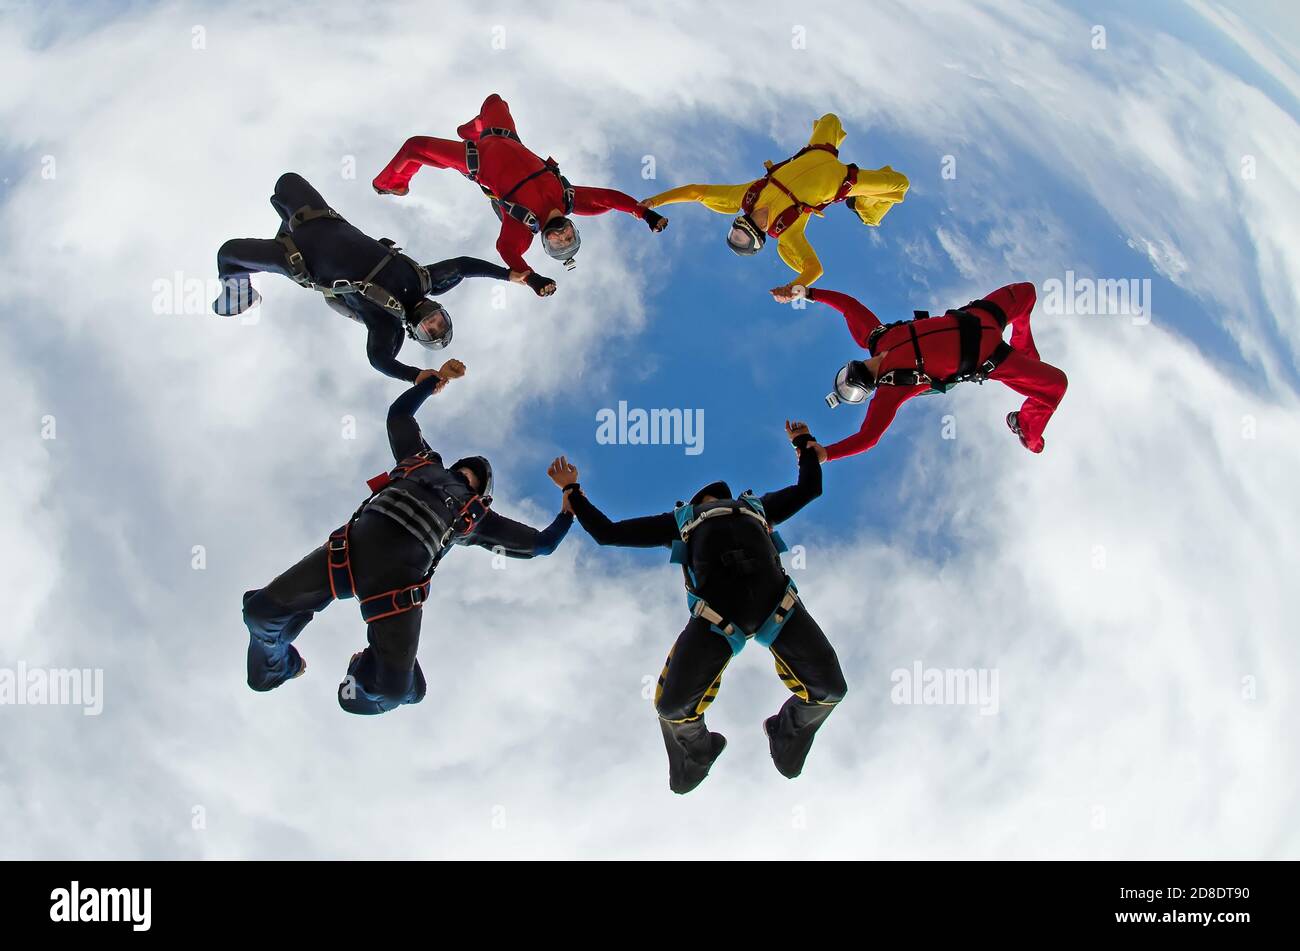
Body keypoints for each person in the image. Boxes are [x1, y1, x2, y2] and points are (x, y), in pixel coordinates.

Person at [242, 359, 574, 715]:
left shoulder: (478, 517)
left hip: (396, 590)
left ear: (482, 496)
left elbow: (542, 544)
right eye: (462, 470)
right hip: (349, 554)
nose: (466, 475)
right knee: (261, 612)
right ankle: (281, 667)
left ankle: (382, 674)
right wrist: (431, 383)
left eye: (474, 480)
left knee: (394, 690)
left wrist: (569, 504)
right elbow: (398, 417)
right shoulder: (420, 461)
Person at [546, 422, 845, 794]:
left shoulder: (757, 508)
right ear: (693, 504)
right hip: (720, 619)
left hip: (776, 607)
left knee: (830, 689)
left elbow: (810, 488)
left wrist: (803, 444)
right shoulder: (680, 523)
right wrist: (572, 491)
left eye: (722, 497)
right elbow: (609, 534)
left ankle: (786, 734)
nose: (718, 499)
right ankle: (699, 753)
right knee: (671, 708)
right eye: (710, 498)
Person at [213, 172, 549, 383]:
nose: (431, 323)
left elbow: (380, 360)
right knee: (286, 182)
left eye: (429, 332)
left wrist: (415, 376)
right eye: (440, 322)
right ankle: (282, 230)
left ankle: (239, 298)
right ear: (440, 310)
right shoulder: (424, 280)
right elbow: (462, 265)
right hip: (317, 221)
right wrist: (511, 276)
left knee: (228, 254)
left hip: (296, 260)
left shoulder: (385, 323)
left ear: (414, 333)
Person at [373, 93, 668, 281]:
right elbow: (610, 199)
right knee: (494, 101)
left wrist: (531, 279)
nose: (562, 236)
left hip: (477, 160)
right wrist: (644, 214)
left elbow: (506, 249)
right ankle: (470, 132)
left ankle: (391, 183)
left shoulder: (524, 224)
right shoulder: (570, 200)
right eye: (570, 238)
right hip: (504, 136)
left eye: (558, 244)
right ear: (574, 229)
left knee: (415, 147)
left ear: (546, 242)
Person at [642, 113, 909, 301]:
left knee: (831, 119)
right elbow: (814, 269)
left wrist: (654, 202)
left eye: (734, 234)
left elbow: (696, 192)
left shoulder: (745, 197)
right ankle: (865, 208)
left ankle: (863, 200)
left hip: (819, 153)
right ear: (756, 243)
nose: (739, 232)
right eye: (741, 240)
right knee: (899, 184)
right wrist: (792, 288)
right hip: (844, 181)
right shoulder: (787, 233)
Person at [812, 282, 1067, 458]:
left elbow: (847, 305)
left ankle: (1026, 353)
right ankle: (1026, 428)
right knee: (1056, 385)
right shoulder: (893, 388)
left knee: (1027, 293)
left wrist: (806, 292)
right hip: (989, 357)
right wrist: (826, 453)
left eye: (843, 380)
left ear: (847, 367)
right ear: (864, 393)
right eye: (850, 391)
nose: (850, 383)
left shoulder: (875, 337)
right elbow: (868, 437)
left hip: (978, 317)